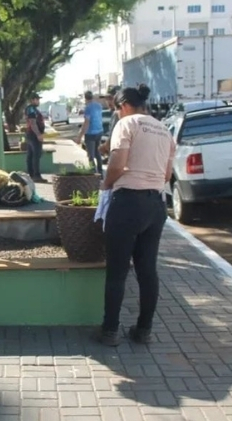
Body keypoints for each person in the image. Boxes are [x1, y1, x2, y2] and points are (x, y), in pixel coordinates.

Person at [95, 83, 175, 347]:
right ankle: (144, 330)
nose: (117, 113)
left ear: (125, 105)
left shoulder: (126, 124)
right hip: (156, 205)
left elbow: (117, 165)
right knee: (147, 270)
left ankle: (110, 331)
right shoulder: (164, 130)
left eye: (117, 108)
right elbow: (166, 175)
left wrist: (106, 185)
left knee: (117, 272)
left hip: (127, 203)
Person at [76, 91, 105, 175]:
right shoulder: (98, 105)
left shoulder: (88, 108)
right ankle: (100, 172)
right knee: (98, 153)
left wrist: (80, 136)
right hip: (99, 131)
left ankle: (93, 172)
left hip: (90, 133)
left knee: (91, 155)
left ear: (85, 98)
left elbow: (86, 123)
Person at [24, 93, 47, 183]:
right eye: (37, 99)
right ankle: (36, 175)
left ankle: (32, 174)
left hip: (31, 134)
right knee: (36, 155)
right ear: (32, 100)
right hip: (33, 135)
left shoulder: (33, 109)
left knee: (31, 155)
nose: (38, 101)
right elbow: (33, 123)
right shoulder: (31, 109)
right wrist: (38, 134)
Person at [99, 86, 121, 157]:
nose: (108, 102)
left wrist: (105, 146)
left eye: (111, 98)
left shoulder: (120, 114)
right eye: (107, 99)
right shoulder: (103, 113)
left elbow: (114, 134)